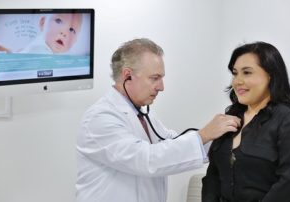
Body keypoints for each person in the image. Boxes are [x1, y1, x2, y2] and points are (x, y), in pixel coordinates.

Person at [76, 38, 241, 202]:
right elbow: (147, 159)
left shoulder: (141, 114)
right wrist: (204, 135)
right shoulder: (100, 118)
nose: (161, 87)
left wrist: (221, 139)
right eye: (154, 78)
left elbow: (170, 142)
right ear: (128, 76)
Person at [201, 41, 290, 202]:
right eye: (235, 73)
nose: (237, 81)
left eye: (247, 73)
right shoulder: (230, 117)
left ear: (271, 75)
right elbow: (213, 177)